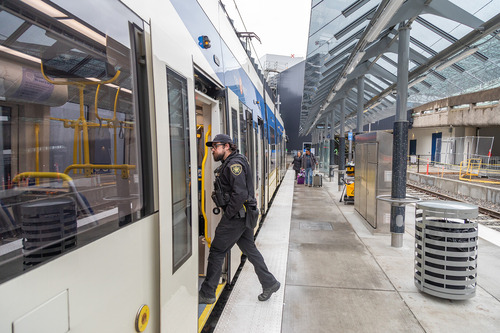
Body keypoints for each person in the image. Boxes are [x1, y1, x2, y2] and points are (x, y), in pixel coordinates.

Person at [199, 134, 280, 304]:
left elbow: (240, 193)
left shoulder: (234, 164)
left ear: (226, 146)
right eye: (212, 147)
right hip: (243, 216)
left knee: (217, 251)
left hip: (236, 217)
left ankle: (207, 293)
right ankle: (269, 283)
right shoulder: (232, 162)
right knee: (250, 250)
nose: (213, 150)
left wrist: (228, 214)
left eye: (215, 146)